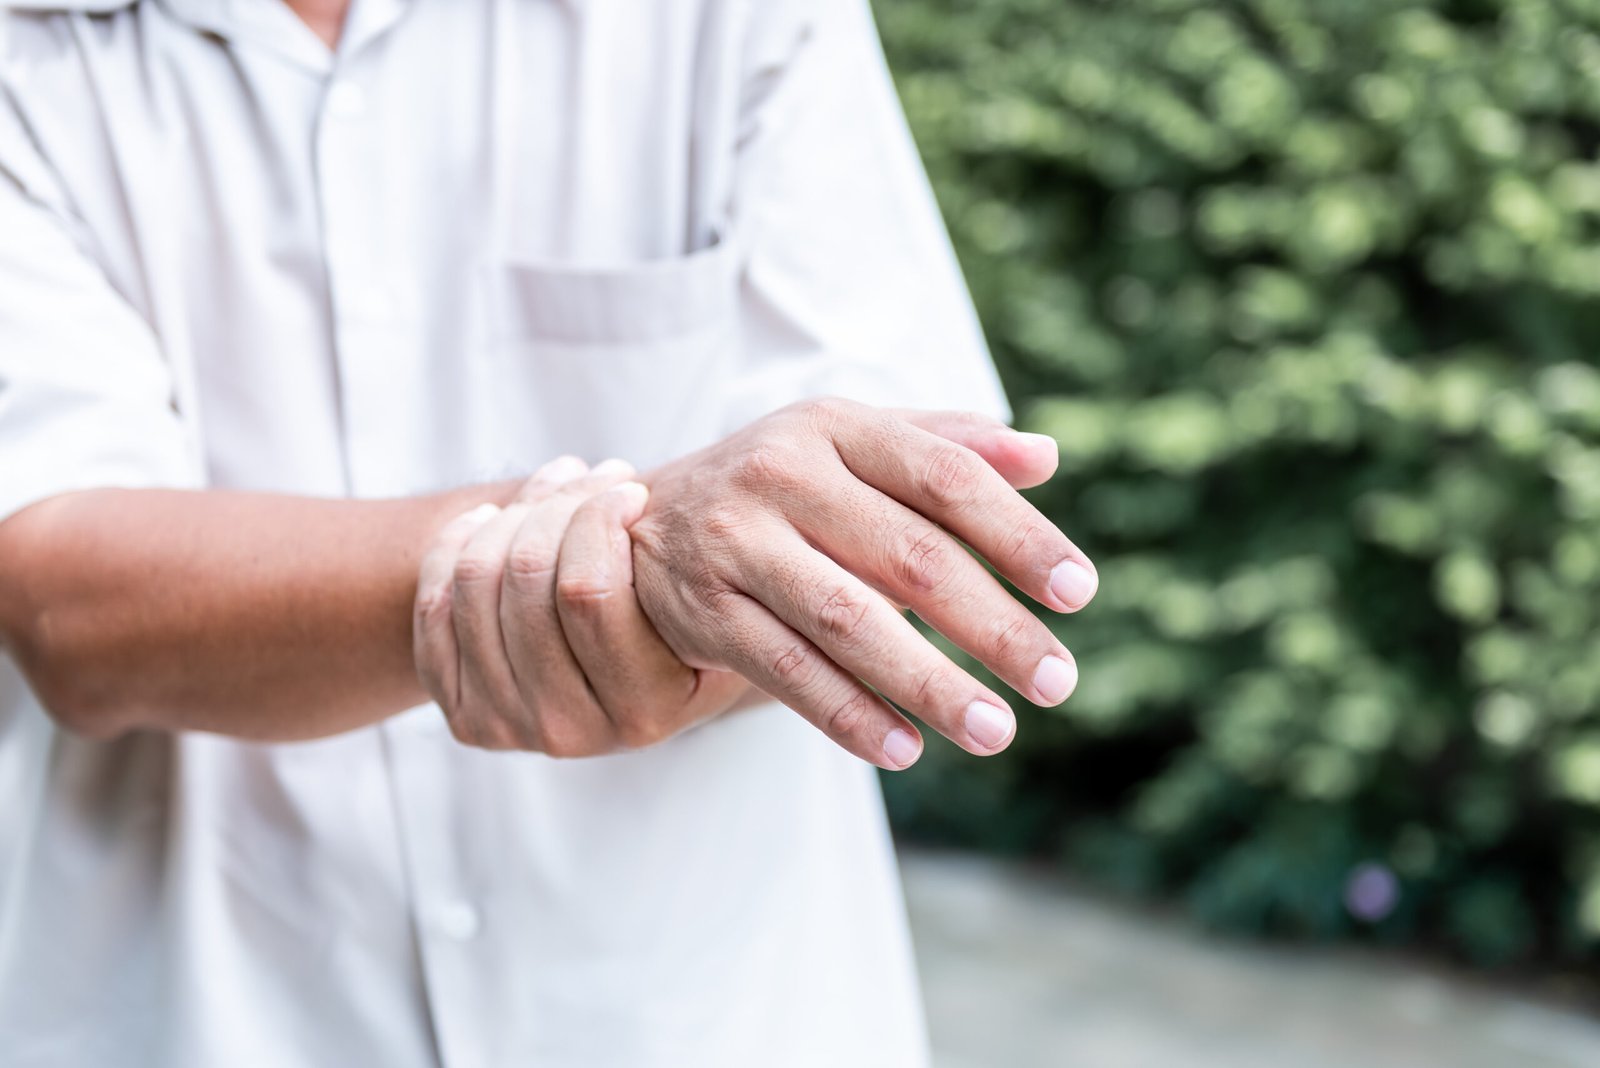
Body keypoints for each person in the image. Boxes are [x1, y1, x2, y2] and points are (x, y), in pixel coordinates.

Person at [0, 1, 1097, 1064]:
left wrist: (675, 572)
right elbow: (65, 595)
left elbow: (883, 500)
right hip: (209, 1015)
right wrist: (634, 559)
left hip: (702, 1012)